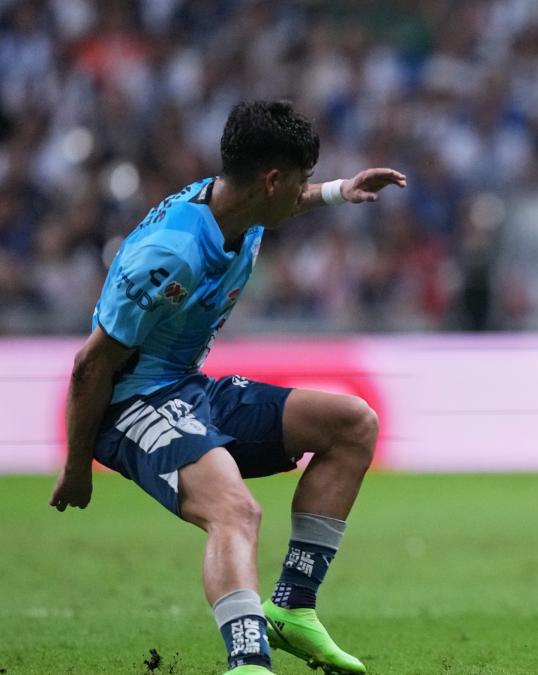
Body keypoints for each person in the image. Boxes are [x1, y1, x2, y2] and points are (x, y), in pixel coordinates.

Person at [48, 100, 406, 675]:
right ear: (271, 181)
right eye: (301, 180)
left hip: (187, 388)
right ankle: (248, 664)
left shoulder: (236, 206)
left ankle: (292, 610)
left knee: (352, 423)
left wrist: (340, 190)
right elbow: (91, 366)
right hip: (131, 401)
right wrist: (76, 465)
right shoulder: (171, 255)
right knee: (236, 512)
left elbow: (287, 203)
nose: (304, 190)